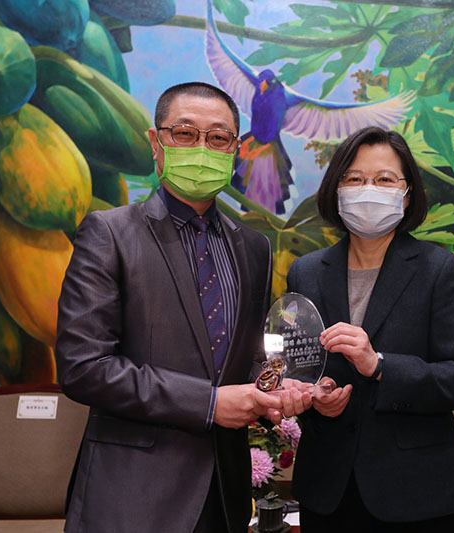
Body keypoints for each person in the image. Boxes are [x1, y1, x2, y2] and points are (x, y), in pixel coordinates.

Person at [55, 81, 311, 533]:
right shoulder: (108, 234)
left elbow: (247, 357)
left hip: (226, 493)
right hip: (132, 495)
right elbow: (83, 367)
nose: (202, 147)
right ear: (156, 143)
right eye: (185, 133)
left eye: (218, 138)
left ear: (235, 149)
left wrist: (278, 387)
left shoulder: (253, 247)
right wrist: (208, 404)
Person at [287, 126, 454, 532]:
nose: (368, 189)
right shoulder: (305, 272)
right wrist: (313, 397)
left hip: (419, 493)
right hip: (328, 490)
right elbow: (295, 365)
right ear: (337, 189)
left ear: (407, 192)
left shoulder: (439, 270)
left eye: (384, 180)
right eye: (355, 178)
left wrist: (378, 364)